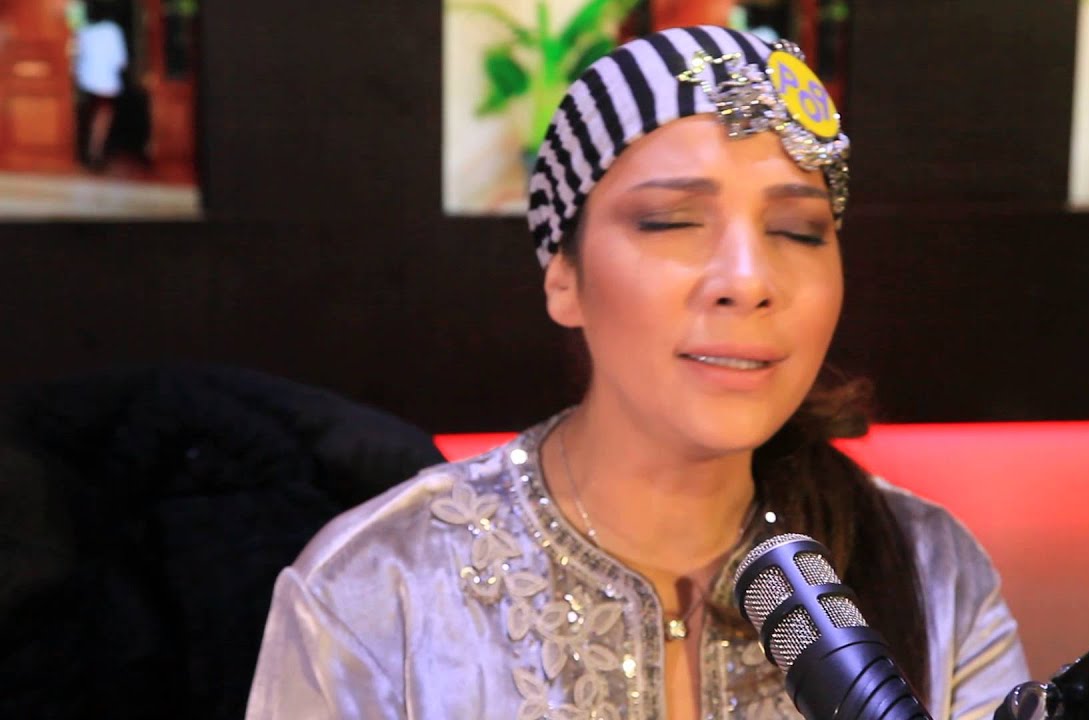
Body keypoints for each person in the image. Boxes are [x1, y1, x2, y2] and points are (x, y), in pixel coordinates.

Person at [246, 25, 1029, 720]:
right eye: (671, 222)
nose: (748, 280)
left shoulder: (931, 569)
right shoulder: (378, 589)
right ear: (564, 276)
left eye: (798, 230)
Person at [74, 1, 128, 171]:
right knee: (103, 117)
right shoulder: (112, 30)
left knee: (92, 115)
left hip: (85, 81)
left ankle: (91, 151)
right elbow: (120, 60)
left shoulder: (84, 30)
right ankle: (95, 152)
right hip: (105, 83)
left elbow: (77, 54)